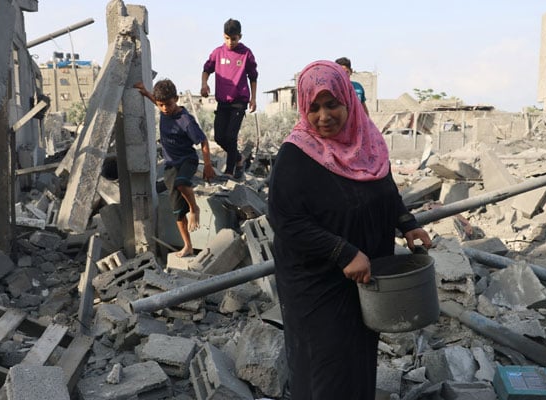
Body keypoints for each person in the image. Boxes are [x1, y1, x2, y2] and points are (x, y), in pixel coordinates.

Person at [267, 60, 432, 399]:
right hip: (318, 282)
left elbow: (384, 190)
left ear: (349, 102)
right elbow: (286, 220)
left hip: (365, 275)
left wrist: (407, 223)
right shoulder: (296, 155)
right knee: (327, 366)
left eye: (332, 105)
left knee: (359, 358)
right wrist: (343, 252)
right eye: (313, 108)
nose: (323, 116)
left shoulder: (368, 142)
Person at [135, 79, 215, 257]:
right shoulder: (164, 109)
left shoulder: (185, 120)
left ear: (176, 99)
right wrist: (145, 91)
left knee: (182, 182)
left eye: (168, 104)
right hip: (171, 165)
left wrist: (208, 165)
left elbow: (203, 141)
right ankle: (188, 246)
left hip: (187, 160)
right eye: (161, 105)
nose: (165, 108)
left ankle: (194, 209)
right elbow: (156, 101)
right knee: (178, 211)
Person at [201, 18, 258, 179]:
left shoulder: (246, 53)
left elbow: (253, 77)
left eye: (234, 39)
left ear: (240, 36)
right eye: (227, 38)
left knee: (231, 137)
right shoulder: (218, 53)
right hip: (223, 101)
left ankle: (229, 171)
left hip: (239, 102)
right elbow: (206, 69)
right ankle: (239, 158)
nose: (230, 42)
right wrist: (204, 84)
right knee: (220, 137)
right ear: (223, 36)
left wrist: (253, 98)